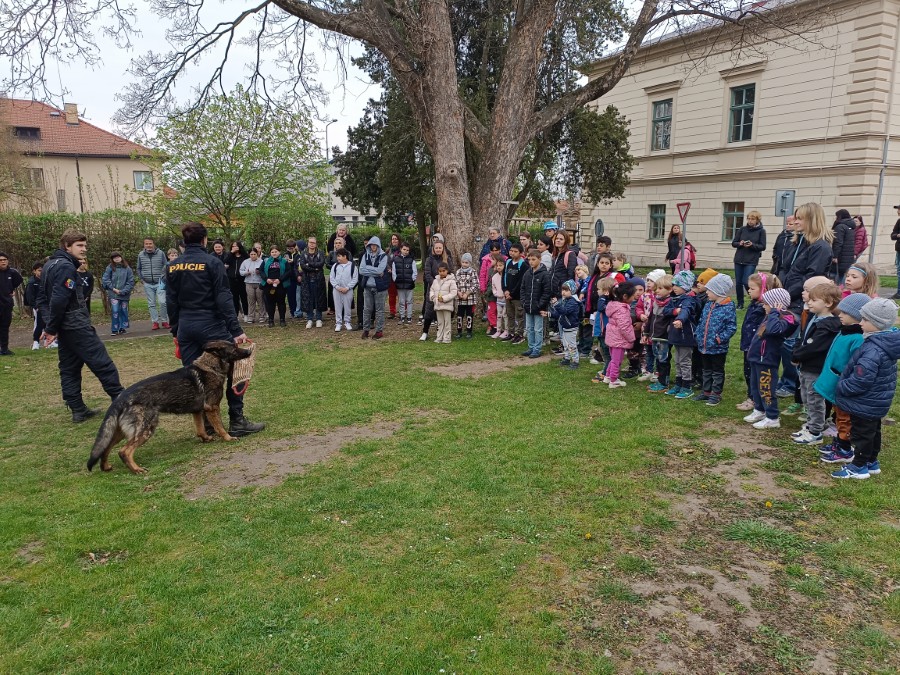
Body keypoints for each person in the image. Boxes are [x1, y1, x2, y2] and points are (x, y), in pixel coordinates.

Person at [165, 222, 264, 438]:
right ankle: (237, 419)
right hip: (211, 324)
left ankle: (208, 426)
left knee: (196, 376)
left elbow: (170, 300)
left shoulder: (173, 265)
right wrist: (236, 330)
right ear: (205, 240)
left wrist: (175, 330)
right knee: (237, 369)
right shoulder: (212, 262)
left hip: (186, 327)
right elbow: (223, 297)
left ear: (184, 241)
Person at [36, 230, 124, 421]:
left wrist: (52, 325)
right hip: (76, 325)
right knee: (102, 363)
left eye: (85, 245)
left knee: (69, 367)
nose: (84, 249)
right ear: (67, 246)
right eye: (79, 245)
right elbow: (58, 299)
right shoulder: (66, 267)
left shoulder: (49, 264)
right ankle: (122, 403)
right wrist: (51, 328)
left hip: (64, 326)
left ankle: (78, 409)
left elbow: (42, 299)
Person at [830, 298, 900, 479]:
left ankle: (858, 466)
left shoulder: (873, 349)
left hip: (865, 402)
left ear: (878, 323)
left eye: (865, 319)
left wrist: (842, 386)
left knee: (862, 435)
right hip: (876, 401)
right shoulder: (884, 343)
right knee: (873, 432)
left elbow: (861, 379)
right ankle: (871, 462)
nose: (860, 323)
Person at [777, 202, 834, 398]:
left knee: (792, 343)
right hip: (790, 298)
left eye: (800, 218)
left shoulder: (820, 247)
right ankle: (788, 381)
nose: (796, 222)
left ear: (812, 220)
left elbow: (811, 278)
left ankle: (791, 384)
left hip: (802, 301)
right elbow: (787, 268)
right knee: (786, 341)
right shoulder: (800, 241)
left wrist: (788, 294)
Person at [815, 293, 870, 465]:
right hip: (836, 382)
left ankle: (845, 449)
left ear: (858, 317)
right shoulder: (844, 331)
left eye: (845, 313)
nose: (840, 315)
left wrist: (845, 380)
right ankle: (839, 442)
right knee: (839, 416)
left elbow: (855, 364)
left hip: (844, 385)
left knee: (845, 418)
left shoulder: (857, 338)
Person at [789, 283, 841, 445]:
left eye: (814, 300)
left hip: (815, 368)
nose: (809, 302)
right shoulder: (814, 317)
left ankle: (815, 431)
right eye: (809, 299)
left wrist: (797, 355)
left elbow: (814, 347)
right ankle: (811, 424)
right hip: (805, 366)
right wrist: (796, 352)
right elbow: (803, 338)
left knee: (814, 399)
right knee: (806, 397)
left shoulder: (828, 325)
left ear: (828, 303)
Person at [744, 288, 797, 430]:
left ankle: (772, 417)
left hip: (767, 360)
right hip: (757, 359)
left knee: (766, 389)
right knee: (755, 386)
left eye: (766, 303)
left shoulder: (785, 319)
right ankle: (759, 410)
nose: (763, 306)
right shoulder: (771, 316)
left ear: (776, 305)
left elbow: (773, 330)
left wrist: (774, 312)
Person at [736, 273, 778, 411]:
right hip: (748, 344)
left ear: (764, 290)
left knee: (756, 374)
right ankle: (752, 396)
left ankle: (755, 399)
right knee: (748, 372)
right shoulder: (754, 304)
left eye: (752, 288)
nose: (749, 291)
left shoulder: (764, 309)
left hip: (757, 347)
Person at [694, 273, 737, 406]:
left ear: (719, 291)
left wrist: (720, 339)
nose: (706, 292)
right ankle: (706, 391)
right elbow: (702, 321)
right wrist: (698, 334)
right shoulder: (708, 304)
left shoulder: (728, 307)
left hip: (718, 347)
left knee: (717, 371)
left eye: (710, 290)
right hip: (704, 345)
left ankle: (716, 394)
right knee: (706, 369)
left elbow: (731, 327)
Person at [663, 271, 697, 398]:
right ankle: (678, 384)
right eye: (674, 285)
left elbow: (685, 311)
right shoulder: (674, 299)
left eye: (678, 285)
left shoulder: (689, 300)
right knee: (677, 361)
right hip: (676, 335)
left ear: (686, 286)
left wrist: (680, 320)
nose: (674, 288)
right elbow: (666, 310)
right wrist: (674, 311)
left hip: (685, 336)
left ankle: (686, 386)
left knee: (684, 361)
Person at [604, 282, 639, 388]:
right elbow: (624, 327)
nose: (634, 298)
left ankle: (608, 376)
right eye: (632, 296)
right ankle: (614, 380)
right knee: (617, 360)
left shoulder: (613, 306)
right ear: (625, 296)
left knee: (613, 359)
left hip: (613, 337)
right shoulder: (622, 310)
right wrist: (631, 338)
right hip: (619, 339)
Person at [731, 210, 767, 309]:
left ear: (757, 220)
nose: (750, 221)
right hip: (739, 259)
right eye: (749, 219)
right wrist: (740, 243)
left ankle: (755, 299)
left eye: (753, 219)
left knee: (746, 281)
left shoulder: (761, 231)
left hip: (751, 260)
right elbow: (734, 243)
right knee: (738, 283)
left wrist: (752, 245)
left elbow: (763, 246)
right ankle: (740, 303)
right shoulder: (742, 229)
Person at [519, 248, 550, 358]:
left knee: (538, 329)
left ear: (539, 259)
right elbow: (522, 289)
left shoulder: (544, 274)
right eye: (529, 259)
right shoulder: (527, 273)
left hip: (539, 308)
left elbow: (546, 292)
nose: (531, 262)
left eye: (533, 259)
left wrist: (540, 304)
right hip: (528, 306)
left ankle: (537, 348)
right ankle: (531, 347)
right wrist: (524, 302)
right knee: (529, 328)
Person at [359, 235, 390, 339]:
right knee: (366, 309)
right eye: (371, 245)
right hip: (367, 286)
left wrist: (368, 269)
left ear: (378, 245)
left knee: (380, 310)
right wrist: (375, 271)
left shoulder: (383, 256)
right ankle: (366, 330)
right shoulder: (365, 255)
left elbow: (380, 270)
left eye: (375, 245)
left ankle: (379, 331)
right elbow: (361, 270)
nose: (373, 247)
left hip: (380, 287)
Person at [136, 237, 170, 330]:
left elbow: (166, 265)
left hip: (160, 282)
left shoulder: (160, 253)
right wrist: (141, 279)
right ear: (144, 245)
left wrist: (164, 277)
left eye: (150, 243)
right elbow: (138, 268)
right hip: (147, 283)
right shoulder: (141, 255)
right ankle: (155, 322)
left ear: (153, 244)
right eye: (146, 244)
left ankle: (164, 321)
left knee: (162, 302)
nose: (148, 245)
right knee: (151, 304)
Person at [550, 279, 582, 369]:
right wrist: (549, 314)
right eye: (562, 290)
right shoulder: (566, 300)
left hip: (571, 327)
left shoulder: (573, 302)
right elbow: (559, 314)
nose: (563, 292)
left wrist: (556, 304)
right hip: (565, 327)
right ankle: (567, 358)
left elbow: (564, 311)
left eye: (566, 290)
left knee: (571, 345)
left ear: (572, 290)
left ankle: (575, 361)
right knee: (565, 344)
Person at [101, 252, 135, 336]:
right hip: (113, 294)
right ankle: (115, 329)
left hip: (124, 294)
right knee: (115, 311)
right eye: (114, 258)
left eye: (118, 257)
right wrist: (113, 288)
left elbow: (130, 281)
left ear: (121, 257)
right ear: (112, 259)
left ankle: (122, 328)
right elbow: (105, 279)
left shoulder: (127, 268)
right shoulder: (110, 268)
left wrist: (123, 291)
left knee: (123, 310)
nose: (116, 259)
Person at [298, 236, 327, 328]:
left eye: (313, 242)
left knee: (318, 298)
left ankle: (319, 318)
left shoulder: (320, 253)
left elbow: (321, 264)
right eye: (310, 242)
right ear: (307, 243)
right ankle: (309, 319)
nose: (312, 244)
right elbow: (303, 266)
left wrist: (309, 264)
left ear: (316, 243)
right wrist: (314, 268)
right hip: (307, 280)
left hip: (318, 280)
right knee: (308, 299)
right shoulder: (303, 253)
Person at [501, 243, 526, 344]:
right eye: (511, 251)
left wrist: (512, 293)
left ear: (521, 253)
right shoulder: (508, 262)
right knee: (509, 314)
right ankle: (510, 333)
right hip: (507, 295)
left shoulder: (523, 264)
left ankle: (519, 334)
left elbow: (521, 281)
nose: (512, 253)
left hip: (517, 296)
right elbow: (504, 277)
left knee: (519, 315)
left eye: (515, 251)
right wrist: (505, 290)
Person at [0, 251, 23, 355]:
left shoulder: (12, 272)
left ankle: (4, 349)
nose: (3, 262)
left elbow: (18, 280)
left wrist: (11, 289)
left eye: (4, 260)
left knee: (5, 327)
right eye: (0, 260)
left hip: (7, 305)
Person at [330, 247, 358, 331]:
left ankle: (347, 322)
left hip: (348, 290)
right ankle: (338, 323)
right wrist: (337, 287)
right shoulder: (335, 266)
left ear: (345, 256)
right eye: (337, 256)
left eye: (339, 256)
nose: (337, 258)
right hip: (337, 290)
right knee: (337, 306)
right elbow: (332, 278)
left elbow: (355, 278)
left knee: (347, 306)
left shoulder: (352, 266)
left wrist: (347, 288)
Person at [429, 262, 457, 344]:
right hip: (438, 305)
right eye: (440, 271)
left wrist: (444, 298)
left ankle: (447, 337)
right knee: (440, 322)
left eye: (443, 271)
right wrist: (433, 298)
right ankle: (439, 337)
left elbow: (453, 292)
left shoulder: (451, 281)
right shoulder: (435, 281)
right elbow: (432, 290)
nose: (442, 273)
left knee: (447, 322)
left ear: (447, 271)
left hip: (447, 305)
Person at [262, 245, 290, 327]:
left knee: (281, 302)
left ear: (279, 252)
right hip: (269, 285)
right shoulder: (266, 261)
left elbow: (288, 272)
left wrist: (280, 279)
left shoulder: (284, 261)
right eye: (272, 252)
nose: (274, 253)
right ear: (270, 253)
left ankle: (282, 320)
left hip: (280, 285)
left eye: (276, 252)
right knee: (270, 303)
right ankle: (271, 320)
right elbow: (261, 271)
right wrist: (266, 279)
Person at [24, 262, 50, 350]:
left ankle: (48, 341)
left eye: (42, 270)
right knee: (38, 324)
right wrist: (36, 307)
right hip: (38, 307)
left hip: (46, 306)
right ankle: (36, 342)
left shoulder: (46, 280)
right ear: (34, 271)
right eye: (39, 270)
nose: (41, 272)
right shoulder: (32, 283)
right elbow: (29, 297)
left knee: (48, 323)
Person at [392, 242, 417, 325]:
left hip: (409, 284)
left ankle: (409, 316)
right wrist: (395, 279)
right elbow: (394, 271)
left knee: (409, 301)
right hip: (400, 283)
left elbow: (414, 272)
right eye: (404, 249)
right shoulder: (396, 259)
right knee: (401, 301)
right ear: (401, 249)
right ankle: (402, 316)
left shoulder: (411, 260)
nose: (406, 251)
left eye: (407, 250)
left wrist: (412, 280)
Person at [224, 241, 249, 322]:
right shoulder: (230, 256)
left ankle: (246, 314)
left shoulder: (244, 256)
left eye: (236, 246)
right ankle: (236, 315)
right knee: (234, 298)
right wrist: (231, 252)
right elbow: (225, 261)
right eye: (233, 246)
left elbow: (248, 260)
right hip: (232, 280)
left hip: (242, 280)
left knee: (244, 298)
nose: (234, 247)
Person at [455, 253, 479, 339]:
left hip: (470, 299)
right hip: (460, 299)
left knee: (469, 315)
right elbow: (455, 284)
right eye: (463, 262)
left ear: (470, 263)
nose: (464, 264)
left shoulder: (473, 272)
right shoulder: (458, 272)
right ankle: (459, 331)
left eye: (466, 263)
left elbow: (476, 285)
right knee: (460, 315)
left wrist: (467, 293)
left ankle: (469, 331)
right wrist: (458, 292)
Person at [831, 209, 857, 283]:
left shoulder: (840, 227)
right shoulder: (851, 227)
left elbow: (838, 242)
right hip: (848, 256)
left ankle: (838, 289)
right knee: (843, 275)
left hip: (841, 256)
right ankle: (842, 288)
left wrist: (835, 256)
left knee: (836, 276)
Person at [240, 247, 264, 324]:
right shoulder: (245, 262)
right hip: (249, 283)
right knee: (251, 300)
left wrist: (259, 272)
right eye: (251, 254)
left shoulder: (261, 261)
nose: (253, 256)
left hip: (259, 282)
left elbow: (265, 271)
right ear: (249, 254)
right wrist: (246, 273)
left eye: (254, 254)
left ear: (257, 254)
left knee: (260, 300)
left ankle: (262, 316)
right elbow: (241, 271)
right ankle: (251, 316)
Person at [490, 258, 509, 340]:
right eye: (497, 265)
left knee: (505, 315)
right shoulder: (494, 277)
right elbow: (493, 287)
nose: (498, 267)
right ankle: (498, 330)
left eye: (500, 265)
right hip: (498, 299)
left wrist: (506, 294)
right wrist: (496, 294)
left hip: (506, 299)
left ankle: (506, 330)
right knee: (499, 315)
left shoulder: (507, 276)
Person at [283, 239, 302, 319]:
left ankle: (298, 311)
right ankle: (292, 311)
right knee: (290, 296)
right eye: (288, 248)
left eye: (291, 248)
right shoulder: (285, 255)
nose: (290, 250)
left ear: (295, 247)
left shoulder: (298, 255)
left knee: (298, 296)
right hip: (288, 278)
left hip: (296, 278)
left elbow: (299, 265)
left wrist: (293, 261)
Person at [890, 203, 900, 299]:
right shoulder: (899, 221)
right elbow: (893, 235)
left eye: (899, 209)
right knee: (899, 271)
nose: (898, 211)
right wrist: (897, 235)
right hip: (899, 250)